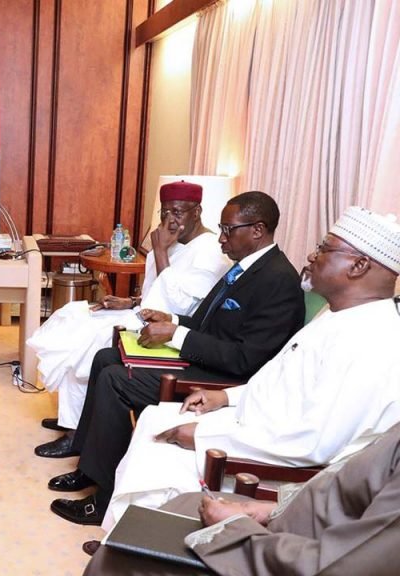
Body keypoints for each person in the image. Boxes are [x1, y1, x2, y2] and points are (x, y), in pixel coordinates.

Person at [100, 206, 400, 530]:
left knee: (160, 454)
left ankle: (140, 543)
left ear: (359, 265)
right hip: (250, 424)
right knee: (155, 419)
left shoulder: (372, 342)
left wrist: (207, 435)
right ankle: (121, 535)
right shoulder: (337, 314)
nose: (312, 256)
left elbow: (313, 443)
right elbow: (282, 380)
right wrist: (226, 399)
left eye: (324, 249)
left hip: (263, 465)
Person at [48, 191, 305, 526]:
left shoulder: (278, 281)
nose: (221, 238)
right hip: (207, 358)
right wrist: (172, 321)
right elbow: (206, 321)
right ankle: (89, 466)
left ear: (257, 230)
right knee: (106, 358)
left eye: (229, 230)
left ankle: (104, 498)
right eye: (221, 229)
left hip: (222, 379)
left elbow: (245, 359)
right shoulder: (243, 269)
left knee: (116, 379)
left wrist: (176, 335)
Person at [28, 181, 229, 456]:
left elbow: (181, 306)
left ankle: (77, 432)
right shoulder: (169, 241)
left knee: (87, 343)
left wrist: (160, 251)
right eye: (165, 212)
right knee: (71, 315)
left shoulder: (209, 251)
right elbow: (152, 293)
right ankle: (71, 415)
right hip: (140, 312)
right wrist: (130, 301)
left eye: (179, 212)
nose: (171, 220)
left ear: (197, 212)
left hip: (166, 327)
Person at [83, 419, 400, 575]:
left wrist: (234, 529)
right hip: (288, 528)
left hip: (288, 556)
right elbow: (354, 483)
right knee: (174, 509)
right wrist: (274, 507)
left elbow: (336, 568)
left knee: (117, 559)